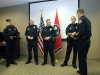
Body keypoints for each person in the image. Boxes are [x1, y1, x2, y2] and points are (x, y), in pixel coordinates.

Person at [72, 8, 92, 75]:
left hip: (83, 41)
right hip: (87, 41)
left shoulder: (81, 20)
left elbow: (81, 32)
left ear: (78, 13)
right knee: (83, 57)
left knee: (82, 58)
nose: (77, 15)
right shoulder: (87, 20)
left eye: (77, 14)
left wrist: (74, 34)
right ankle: (82, 70)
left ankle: (83, 73)